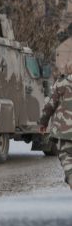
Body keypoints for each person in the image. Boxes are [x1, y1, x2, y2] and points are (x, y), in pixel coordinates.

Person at [39, 64, 72, 192]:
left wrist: (43, 123)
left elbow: (50, 105)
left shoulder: (61, 83)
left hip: (64, 132)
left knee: (66, 157)